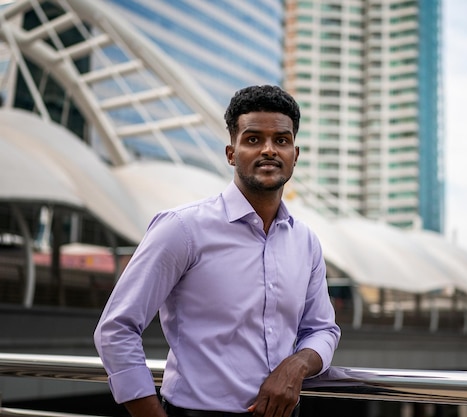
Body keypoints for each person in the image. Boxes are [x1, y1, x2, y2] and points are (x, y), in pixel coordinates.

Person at [94, 85, 341, 417]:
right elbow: (116, 329)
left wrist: (297, 364)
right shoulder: (182, 228)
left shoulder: (306, 241)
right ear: (231, 153)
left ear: (294, 155)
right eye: (253, 139)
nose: (269, 150)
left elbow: (323, 329)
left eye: (281, 140)